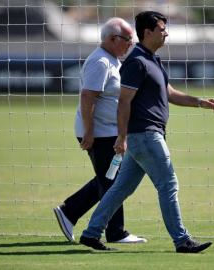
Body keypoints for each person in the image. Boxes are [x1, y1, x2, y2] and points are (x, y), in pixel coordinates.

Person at [79, 11, 214, 253]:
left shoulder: (152, 59)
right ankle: (182, 240)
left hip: (143, 136)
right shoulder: (136, 62)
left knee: (122, 188)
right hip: (145, 135)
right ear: (148, 32)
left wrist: (199, 102)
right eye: (162, 29)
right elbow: (124, 102)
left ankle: (91, 233)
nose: (166, 33)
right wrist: (122, 137)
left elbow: (171, 93)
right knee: (168, 184)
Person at [53, 17, 147, 244]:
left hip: (107, 131)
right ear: (113, 39)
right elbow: (87, 97)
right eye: (128, 40)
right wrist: (89, 132)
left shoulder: (112, 59)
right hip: (99, 133)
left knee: (109, 178)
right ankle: (115, 232)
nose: (131, 44)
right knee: (113, 181)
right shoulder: (100, 62)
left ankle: (70, 211)